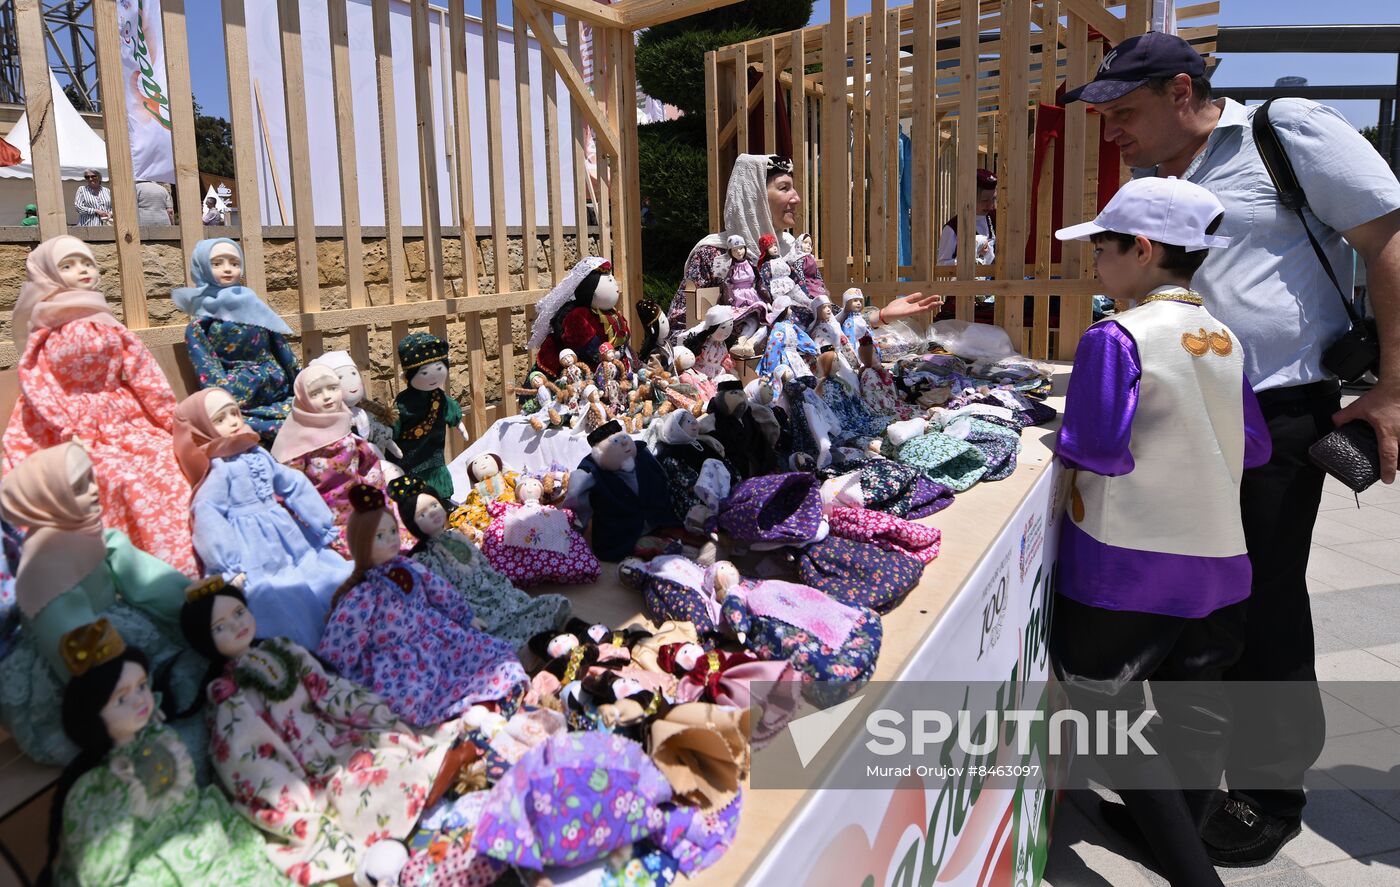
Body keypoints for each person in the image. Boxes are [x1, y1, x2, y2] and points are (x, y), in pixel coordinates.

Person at [1063, 30, 1400, 866]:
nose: (1113, 131)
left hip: (1278, 412)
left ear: (1183, 92)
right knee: (1197, 605)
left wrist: (1394, 388)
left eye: (1125, 112)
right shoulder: (1159, 181)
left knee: (1263, 604)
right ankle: (1180, 789)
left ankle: (1265, 791)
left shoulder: (1285, 133)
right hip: (1189, 415)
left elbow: (1390, 240)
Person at [1052, 176, 1271, 887]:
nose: (1096, 263)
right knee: (1194, 707)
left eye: (1103, 249)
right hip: (1220, 562)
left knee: (1104, 710)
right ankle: (1177, 841)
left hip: (1126, 565)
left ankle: (1190, 870)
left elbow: (1095, 448)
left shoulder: (1115, 336)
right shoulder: (1226, 339)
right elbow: (1256, 447)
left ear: (1141, 250)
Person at [669, 153, 945, 340]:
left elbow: (822, 318)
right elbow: (684, 329)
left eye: (794, 188)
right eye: (784, 187)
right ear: (753, 196)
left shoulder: (794, 252)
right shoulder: (714, 255)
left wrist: (881, 316)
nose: (797, 198)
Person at [936, 168, 997, 266]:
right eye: (985, 200)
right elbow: (942, 264)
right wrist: (971, 258)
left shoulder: (996, 218)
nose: (990, 205)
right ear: (970, 198)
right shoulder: (953, 228)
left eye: (993, 199)